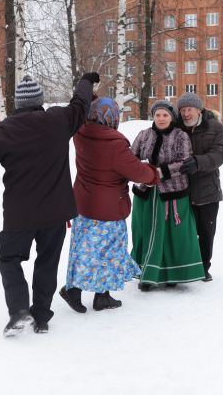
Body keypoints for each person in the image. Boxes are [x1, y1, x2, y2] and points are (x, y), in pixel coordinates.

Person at [0, 73, 97, 337]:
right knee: (47, 262)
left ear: (17, 105)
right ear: (39, 102)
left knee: (9, 258)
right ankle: (41, 317)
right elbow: (80, 104)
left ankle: (19, 311)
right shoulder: (58, 121)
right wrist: (86, 81)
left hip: (20, 215)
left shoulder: (0, 133)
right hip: (55, 214)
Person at [59, 97, 160, 313]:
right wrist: (154, 174)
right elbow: (136, 171)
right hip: (108, 209)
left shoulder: (80, 133)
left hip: (83, 204)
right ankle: (99, 296)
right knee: (109, 253)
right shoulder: (115, 143)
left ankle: (76, 290)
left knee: (83, 250)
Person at [130, 100, 205, 291]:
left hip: (172, 193)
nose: (161, 119)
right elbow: (131, 158)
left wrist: (160, 172)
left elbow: (185, 162)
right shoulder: (144, 135)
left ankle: (174, 273)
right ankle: (147, 275)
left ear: (171, 117)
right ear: (153, 117)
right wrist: (142, 171)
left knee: (172, 235)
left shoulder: (180, 136)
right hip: (146, 193)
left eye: (165, 115)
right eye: (158, 115)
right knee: (146, 232)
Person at [176, 92, 223, 282]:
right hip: (184, 190)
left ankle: (204, 267)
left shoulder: (214, 127)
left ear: (199, 109)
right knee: (185, 231)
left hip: (208, 191)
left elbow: (219, 154)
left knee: (206, 232)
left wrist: (199, 162)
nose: (186, 114)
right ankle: (185, 266)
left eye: (189, 109)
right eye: (182, 110)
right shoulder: (177, 127)